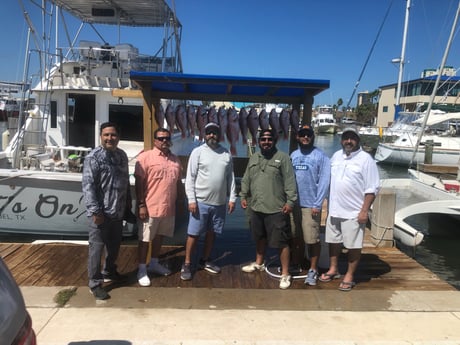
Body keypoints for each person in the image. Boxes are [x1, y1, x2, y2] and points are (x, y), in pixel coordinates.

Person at [319, 127, 380, 291]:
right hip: (334, 210)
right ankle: (334, 269)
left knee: (353, 245)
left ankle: (350, 276)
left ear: (358, 140)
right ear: (341, 140)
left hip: (354, 212)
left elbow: (372, 188)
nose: (349, 141)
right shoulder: (336, 156)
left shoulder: (366, 159)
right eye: (346, 138)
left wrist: (364, 211)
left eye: (352, 138)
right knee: (333, 242)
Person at [240, 128, 297, 289]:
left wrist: (290, 202)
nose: (266, 142)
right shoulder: (254, 158)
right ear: (258, 142)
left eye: (269, 139)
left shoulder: (283, 158)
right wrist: (243, 195)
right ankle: (259, 263)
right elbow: (246, 179)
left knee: (282, 242)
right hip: (256, 206)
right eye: (263, 139)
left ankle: (285, 273)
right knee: (259, 237)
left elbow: (290, 182)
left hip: (276, 209)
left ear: (274, 141)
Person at [181, 122, 237, 280]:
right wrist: (191, 199)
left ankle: (204, 260)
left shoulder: (226, 153)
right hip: (200, 203)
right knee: (193, 234)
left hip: (219, 203)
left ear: (220, 135)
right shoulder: (197, 152)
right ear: (204, 134)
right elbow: (190, 178)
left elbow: (230, 178)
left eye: (215, 133)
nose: (212, 135)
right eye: (209, 132)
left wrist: (232, 198)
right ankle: (186, 263)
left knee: (212, 233)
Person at [82, 122, 131, 300]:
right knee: (96, 249)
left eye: (113, 135)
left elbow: (125, 183)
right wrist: (95, 211)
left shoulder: (122, 156)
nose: (110, 138)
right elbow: (88, 187)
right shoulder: (93, 157)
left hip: (117, 213)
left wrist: (128, 206)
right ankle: (95, 283)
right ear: (101, 136)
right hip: (101, 214)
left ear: (118, 137)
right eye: (106, 135)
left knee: (114, 247)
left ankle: (110, 270)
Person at [134, 128, 183, 287]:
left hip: (168, 208)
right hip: (150, 206)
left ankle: (154, 263)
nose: (164, 141)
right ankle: (141, 268)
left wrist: (181, 201)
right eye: (160, 138)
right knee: (145, 239)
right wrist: (141, 205)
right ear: (155, 140)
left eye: (167, 138)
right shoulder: (145, 157)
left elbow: (177, 183)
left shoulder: (175, 159)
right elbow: (139, 183)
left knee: (160, 236)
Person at [290, 125, 331, 286]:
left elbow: (324, 182)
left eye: (308, 135)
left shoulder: (321, 156)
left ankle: (313, 269)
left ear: (312, 136)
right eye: (302, 135)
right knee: (296, 236)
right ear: (297, 137)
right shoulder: (293, 155)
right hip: (294, 204)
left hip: (311, 205)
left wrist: (317, 203)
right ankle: (297, 263)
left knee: (312, 239)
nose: (305, 137)